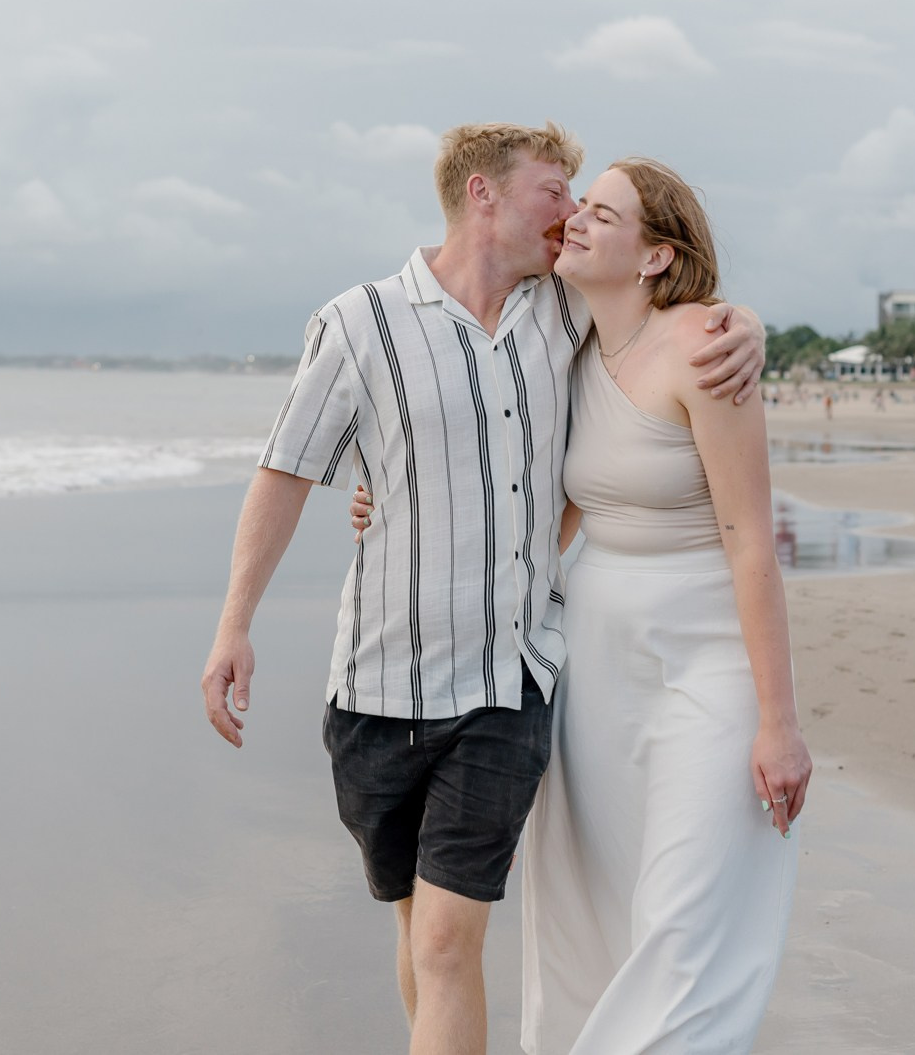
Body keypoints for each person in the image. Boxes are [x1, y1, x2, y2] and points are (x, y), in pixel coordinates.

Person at [199, 123, 766, 1055]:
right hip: (378, 685)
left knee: (449, 939)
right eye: (556, 190)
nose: (573, 212)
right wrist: (235, 625)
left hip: (510, 683)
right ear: (483, 194)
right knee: (417, 934)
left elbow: (668, 310)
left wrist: (743, 323)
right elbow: (286, 472)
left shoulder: (565, 309)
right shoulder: (358, 323)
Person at [519, 158, 807, 1052]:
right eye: (580, 206)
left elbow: (750, 540)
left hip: (707, 661)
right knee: (588, 908)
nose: (577, 220)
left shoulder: (706, 347)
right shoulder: (564, 343)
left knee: (688, 924)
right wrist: (385, 498)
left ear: (654, 257)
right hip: (596, 666)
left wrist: (779, 722)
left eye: (604, 213)